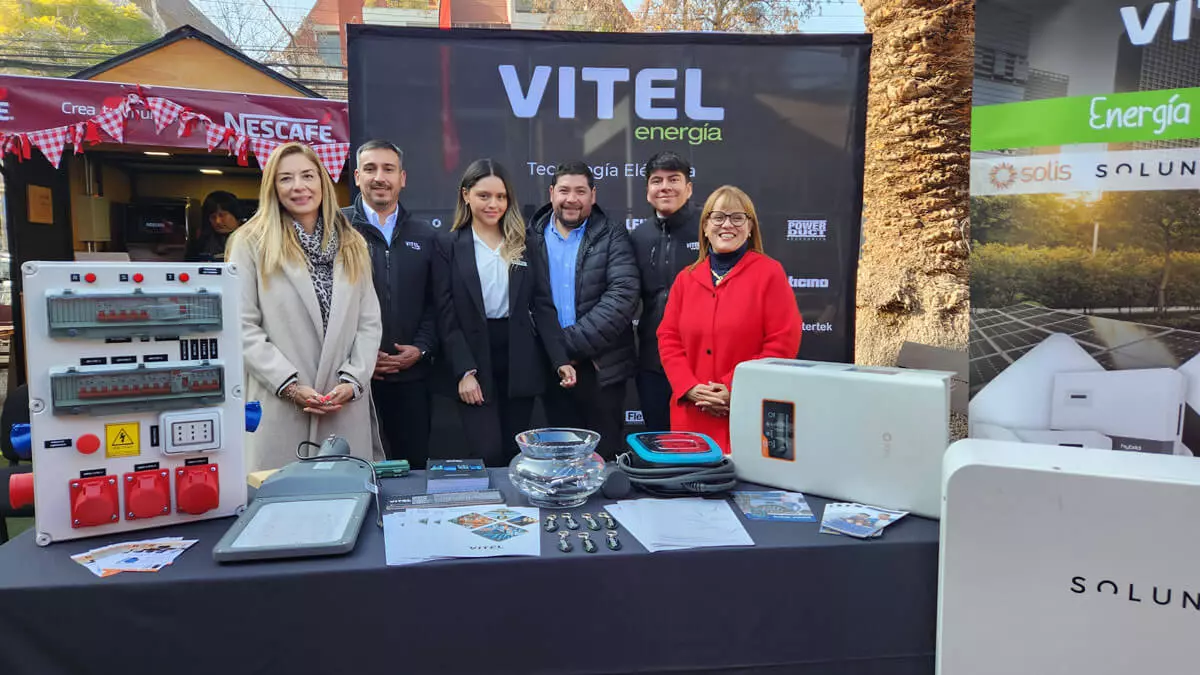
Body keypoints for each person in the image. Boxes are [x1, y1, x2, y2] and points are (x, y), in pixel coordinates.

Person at [226, 142, 383, 473]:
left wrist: (353, 380)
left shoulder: (353, 243)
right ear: (273, 187)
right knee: (278, 506)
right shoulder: (250, 242)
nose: (299, 186)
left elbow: (369, 323)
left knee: (345, 504)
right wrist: (289, 384)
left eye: (307, 176)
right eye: (286, 179)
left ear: (322, 182)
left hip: (342, 405)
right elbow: (242, 326)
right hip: (281, 404)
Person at [432, 158, 577, 466]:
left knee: (516, 452)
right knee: (486, 451)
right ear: (466, 195)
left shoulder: (524, 242)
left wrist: (560, 359)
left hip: (519, 357)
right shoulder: (448, 244)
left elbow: (542, 305)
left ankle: (517, 513)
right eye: (484, 195)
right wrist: (463, 371)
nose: (493, 204)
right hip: (473, 356)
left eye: (500, 196)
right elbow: (445, 314)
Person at [656, 185, 802, 453]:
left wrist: (733, 386)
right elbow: (668, 338)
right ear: (705, 227)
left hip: (750, 413)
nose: (728, 225)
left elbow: (782, 343)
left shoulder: (770, 274)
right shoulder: (686, 279)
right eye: (718, 217)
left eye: (738, 218)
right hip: (692, 416)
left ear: (750, 228)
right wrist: (688, 387)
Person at [527, 161, 639, 460]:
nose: (571, 199)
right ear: (551, 193)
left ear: (593, 195)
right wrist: (554, 354)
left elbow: (623, 296)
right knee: (558, 458)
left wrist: (564, 346)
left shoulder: (613, 235)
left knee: (603, 458)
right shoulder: (529, 237)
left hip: (599, 367)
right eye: (564, 190)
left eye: (580, 191)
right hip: (549, 369)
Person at [341, 139, 438, 469]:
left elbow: (437, 301)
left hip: (412, 378)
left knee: (413, 469)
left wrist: (421, 349)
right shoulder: (337, 229)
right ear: (356, 176)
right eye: (370, 169)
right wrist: (361, 357)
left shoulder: (426, 235)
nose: (379, 177)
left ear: (403, 178)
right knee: (357, 469)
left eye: (388, 169)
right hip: (352, 380)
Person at [629, 151, 700, 432]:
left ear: (689, 187)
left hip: (700, 363)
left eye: (674, 179)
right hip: (652, 362)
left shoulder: (710, 228)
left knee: (700, 448)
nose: (665, 186)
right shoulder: (639, 236)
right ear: (647, 191)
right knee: (658, 442)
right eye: (657, 181)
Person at [186, 191, 242, 262]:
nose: (217, 221)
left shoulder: (250, 239)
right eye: (213, 217)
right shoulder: (202, 241)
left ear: (236, 215)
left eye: (222, 215)